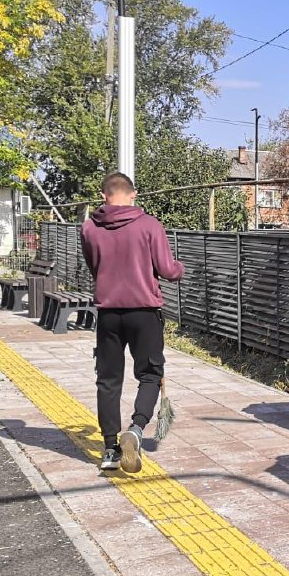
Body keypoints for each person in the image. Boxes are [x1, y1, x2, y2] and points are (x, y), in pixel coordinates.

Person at [80, 172, 185, 474]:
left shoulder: (89, 228)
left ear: (103, 195)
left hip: (109, 314)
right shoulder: (150, 225)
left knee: (108, 380)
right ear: (133, 194)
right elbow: (167, 270)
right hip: (144, 312)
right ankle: (137, 429)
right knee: (150, 375)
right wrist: (180, 268)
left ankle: (110, 450)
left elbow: (94, 266)